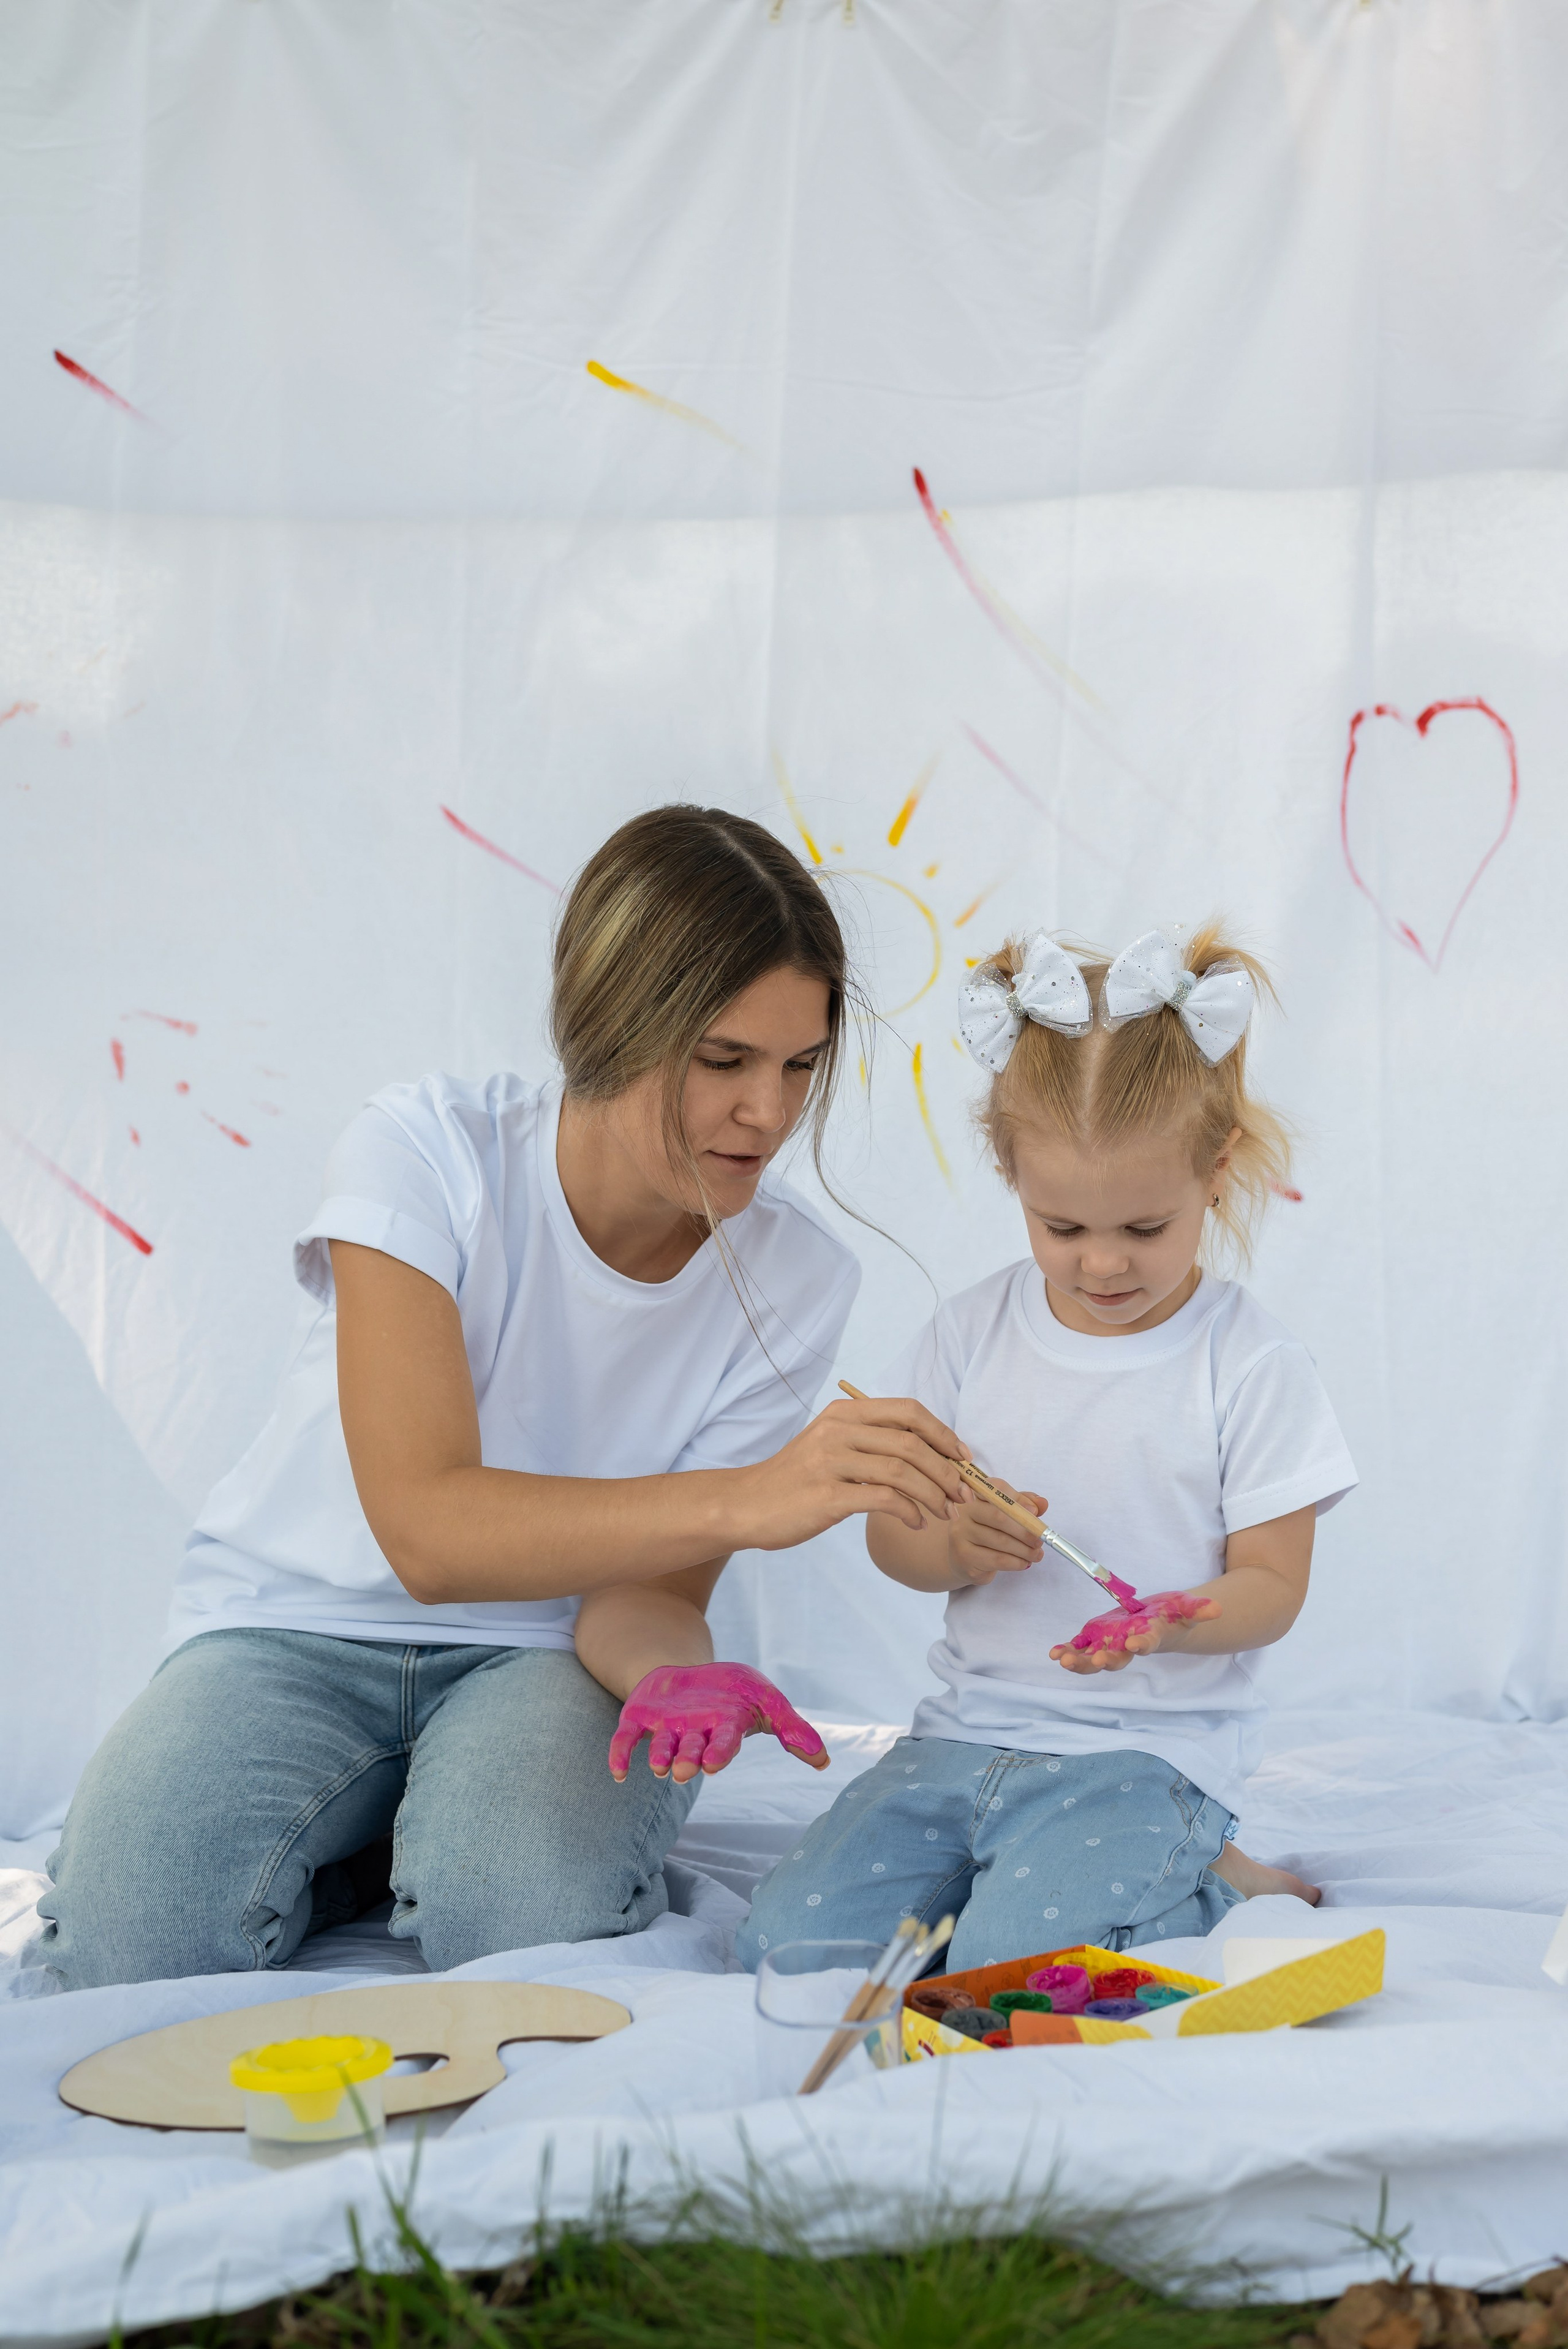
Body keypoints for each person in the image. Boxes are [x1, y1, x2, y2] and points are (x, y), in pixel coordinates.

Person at [40, 805, 973, 1990]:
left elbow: (638, 1602)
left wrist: (670, 1671)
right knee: (130, 1948)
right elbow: (429, 1531)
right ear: (611, 1025)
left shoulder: (795, 1275)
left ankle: (420, 1836)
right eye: (725, 1061)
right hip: (292, 1633)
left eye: (800, 1065)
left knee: (519, 1920)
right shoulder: (425, 1155)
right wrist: (749, 1498)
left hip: (548, 1662)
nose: (770, 1115)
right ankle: (380, 1839)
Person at [739, 924, 1357, 1977]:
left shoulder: (1250, 1364)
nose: (1104, 1263)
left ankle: (1207, 1866)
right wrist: (955, 1548)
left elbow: (1274, 1587)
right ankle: (1125, 1867)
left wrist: (1175, 1620)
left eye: (1145, 1228)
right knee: (788, 1949)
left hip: (1142, 1758)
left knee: (1023, 1970)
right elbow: (896, 1544)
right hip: (957, 1741)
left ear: (1214, 1173)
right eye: (1062, 1228)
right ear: (1009, 1173)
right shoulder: (967, 1334)